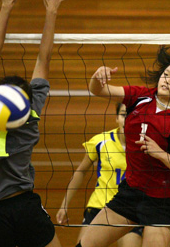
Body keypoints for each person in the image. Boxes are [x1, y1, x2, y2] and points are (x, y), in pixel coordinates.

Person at [77, 46, 170, 247]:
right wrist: (97, 77)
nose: (167, 80)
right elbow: (98, 90)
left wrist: (160, 154)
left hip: (162, 202)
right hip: (130, 194)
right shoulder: (139, 96)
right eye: (165, 74)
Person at [0, 0, 71, 246]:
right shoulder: (32, 113)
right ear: (26, 102)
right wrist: (51, 11)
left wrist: (5, 6)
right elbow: (44, 58)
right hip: (25, 206)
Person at [56, 103, 142, 247]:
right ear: (116, 118)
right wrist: (64, 205)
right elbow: (81, 171)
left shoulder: (146, 145)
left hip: (129, 208)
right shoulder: (101, 141)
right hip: (99, 206)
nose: (127, 120)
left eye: (132, 116)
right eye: (123, 115)